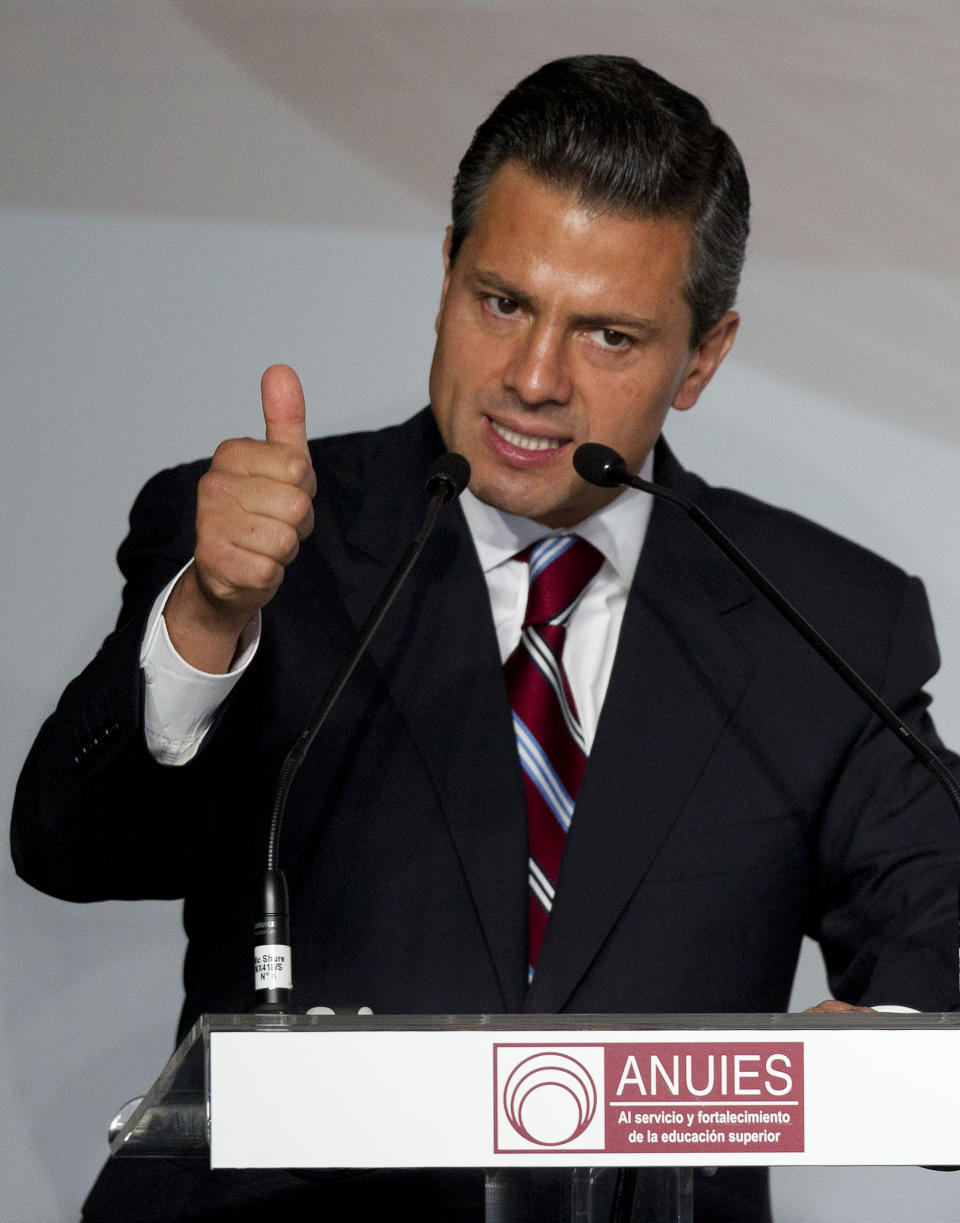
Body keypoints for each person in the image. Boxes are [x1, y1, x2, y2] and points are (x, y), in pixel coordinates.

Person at [12, 55, 959, 1223]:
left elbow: (939, 916)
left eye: (607, 336)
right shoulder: (270, 542)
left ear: (702, 358)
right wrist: (208, 615)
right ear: (447, 276)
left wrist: (906, 1046)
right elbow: (74, 845)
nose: (532, 378)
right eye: (502, 302)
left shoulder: (819, 613)